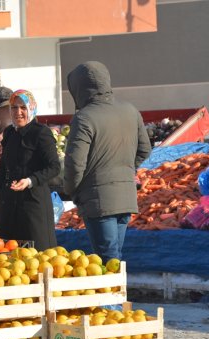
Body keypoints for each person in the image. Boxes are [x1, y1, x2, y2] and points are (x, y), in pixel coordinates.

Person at [64, 61, 151, 262]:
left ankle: (115, 294)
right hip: (126, 196)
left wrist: (72, 189)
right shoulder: (130, 110)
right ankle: (118, 293)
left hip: (98, 198)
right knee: (114, 257)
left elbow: (75, 164)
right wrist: (125, 170)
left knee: (107, 258)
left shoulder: (84, 118)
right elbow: (145, 149)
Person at [0, 89, 60, 250]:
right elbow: (4, 166)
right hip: (11, 204)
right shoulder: (9, 133)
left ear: (31, 108)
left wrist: (30, 180)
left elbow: (54, 167)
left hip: (33, 204)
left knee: (36, 255)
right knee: (9, 255)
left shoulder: (41, 133)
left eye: (23, 108)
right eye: (14, 108)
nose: (18, 112)